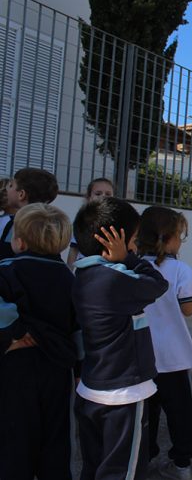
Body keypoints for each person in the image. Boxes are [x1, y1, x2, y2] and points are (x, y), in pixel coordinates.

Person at [72, 197, 169, 480]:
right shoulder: (115, 279)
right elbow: (158, 284)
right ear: (115, 241)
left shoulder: (82, 275)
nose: (136, 247)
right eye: (134, 240)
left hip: (92, 388)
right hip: (123, 396)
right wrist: (127, 259)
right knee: (121, 472)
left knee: (93, 468)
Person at [0, 203, 77, 480]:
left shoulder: (7, 270)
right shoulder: (69, 279)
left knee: (13, 438)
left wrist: (14, 334)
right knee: (55, 439)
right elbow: (78, 327)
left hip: (14, 367)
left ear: (18, 241)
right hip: (56, 369)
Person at [136, 207, 192, 479]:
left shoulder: (132, 265)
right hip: (173, 356)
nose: (181, 242)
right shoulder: (180, 269)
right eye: (180, 236)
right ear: (168, 238)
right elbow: (187, 309)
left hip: (141, 355)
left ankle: (143, 458)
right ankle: (182, 464)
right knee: (180, 412)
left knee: (146, 413)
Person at [0, 168, 58, 259]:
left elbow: (5, 253)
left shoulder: (16, 223)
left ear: (21, 194)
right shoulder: (53, 223)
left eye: (11, 186)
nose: (7, 189)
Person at [67, 177, 115, 269]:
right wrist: (69, 273)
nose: (103, 196)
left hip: (108, 270)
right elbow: (74, 249)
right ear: (89, 197)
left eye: (108, 194)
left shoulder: (117, 220)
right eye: (98, 193)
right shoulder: (82, 220)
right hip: (85, 269)